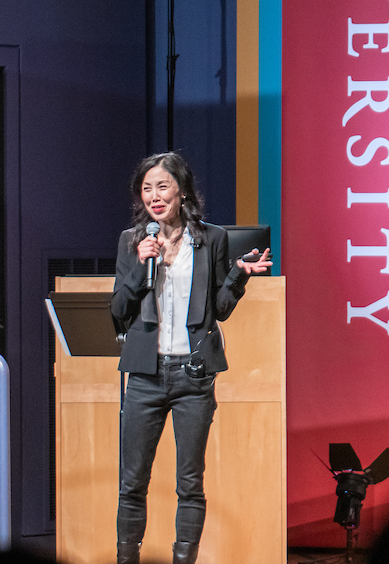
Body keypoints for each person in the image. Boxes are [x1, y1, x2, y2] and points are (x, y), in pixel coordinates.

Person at [110, 152, 272, 564]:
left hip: (193, 375)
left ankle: (184, 559)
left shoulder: (211, 238)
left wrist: (238, 277)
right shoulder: (133, 241)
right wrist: (141, 264)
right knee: (132, 483)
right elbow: (119, 309)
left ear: (182, 191)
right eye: (147, 189)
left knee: (190, 482)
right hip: (145, 375)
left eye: (162, 186)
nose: (154, 195)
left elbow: (218, 309)